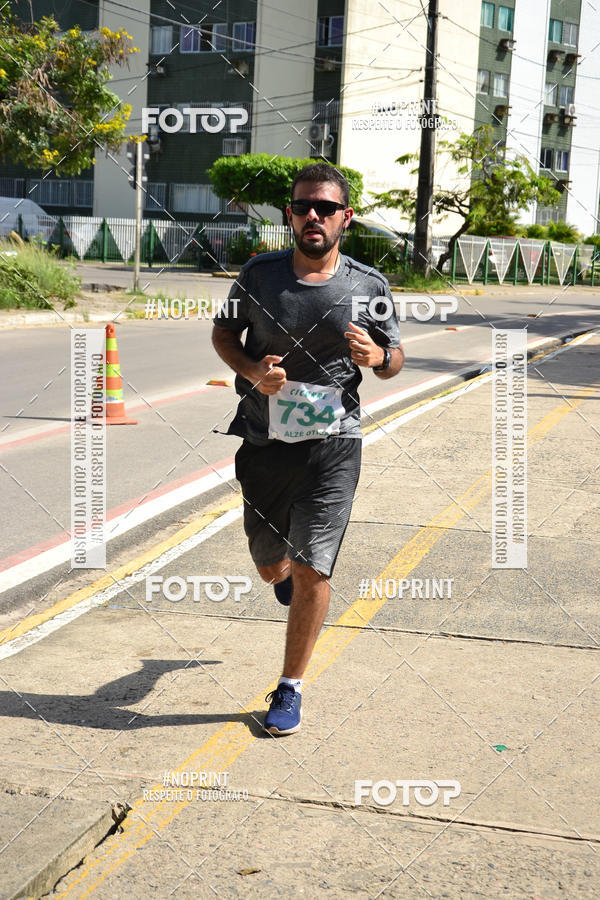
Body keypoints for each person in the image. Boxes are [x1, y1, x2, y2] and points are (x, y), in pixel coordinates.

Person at [212, 163, 404, 735]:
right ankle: (286, 576)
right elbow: (224, 334)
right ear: (289, 215)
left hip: (334, 444)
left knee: (314, 566)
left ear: (346, 217)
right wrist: (252, 370)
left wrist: (378, 360)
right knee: (273, 565)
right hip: (264, 441)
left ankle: (290, 687)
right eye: (302, 207)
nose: (312, 216)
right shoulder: (259, 274)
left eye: (324, 207)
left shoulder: (368, 286)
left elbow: (394, 358)